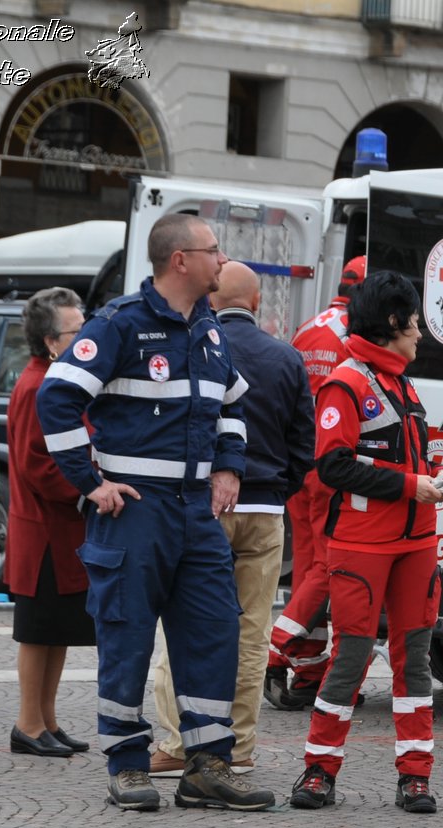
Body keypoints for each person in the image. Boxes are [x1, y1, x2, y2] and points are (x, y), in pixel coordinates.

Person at [36, 213, 272, 813]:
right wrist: (90, 484)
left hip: (195, 511)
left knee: (214, 630)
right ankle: (127, 763)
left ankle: (208, 765)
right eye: (214, 251)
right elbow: (57, 397)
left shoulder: (210, 329)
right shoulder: (120, 324)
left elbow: (232, 406)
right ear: (180, 261)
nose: (223, 261)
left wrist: (228, 466)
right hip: (136, 512)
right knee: (128, 634)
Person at [288, 271, 443, 815]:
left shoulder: (404, 383)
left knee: (416, 661)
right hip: (362, 547)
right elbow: (332, 465)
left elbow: (406, 460)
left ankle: (416, 775)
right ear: (394, 324)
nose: (421, 335)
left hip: (416, 543)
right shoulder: (347, 383)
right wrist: (410, 485)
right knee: (349, 658)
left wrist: (434, 487)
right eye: (416, 325)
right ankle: (318, 770)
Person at [149, 261, 313, 774]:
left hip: (201, 507)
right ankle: (238, 747)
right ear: (259, 304)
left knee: (184, 627)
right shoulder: (287, 358)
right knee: (252, 634)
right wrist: (277, 490)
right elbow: (305, 445)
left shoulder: (196, 347)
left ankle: (178, 744)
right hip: (265, 513)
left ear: (212, 299)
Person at [266, 256, 366, 711]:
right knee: (331, 573)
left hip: (301, 466)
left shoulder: (308, 328)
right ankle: (274, 649)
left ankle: (308, 673)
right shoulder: (357, 338)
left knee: (309, 570)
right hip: (334, 468)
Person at [5, 286, 94, 757]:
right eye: (76, 332)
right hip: (43, 531)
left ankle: (47, 720)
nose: (85, 340)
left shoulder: (56, 378)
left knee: (57, 630)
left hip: (58, 530)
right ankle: (28, 723)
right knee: (38, 632)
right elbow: (37, 464)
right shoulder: (39, 385)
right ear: (49, 339)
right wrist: (91, 489)